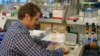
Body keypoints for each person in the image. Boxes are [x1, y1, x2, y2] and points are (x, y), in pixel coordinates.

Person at [0, 3, 69, 56]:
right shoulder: (18, 34)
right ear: (27, 16)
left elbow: (33, 41)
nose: (38, 22)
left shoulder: (16, 26)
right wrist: (61, 50)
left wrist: (51, 44)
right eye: (36, 19)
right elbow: (41, 55)